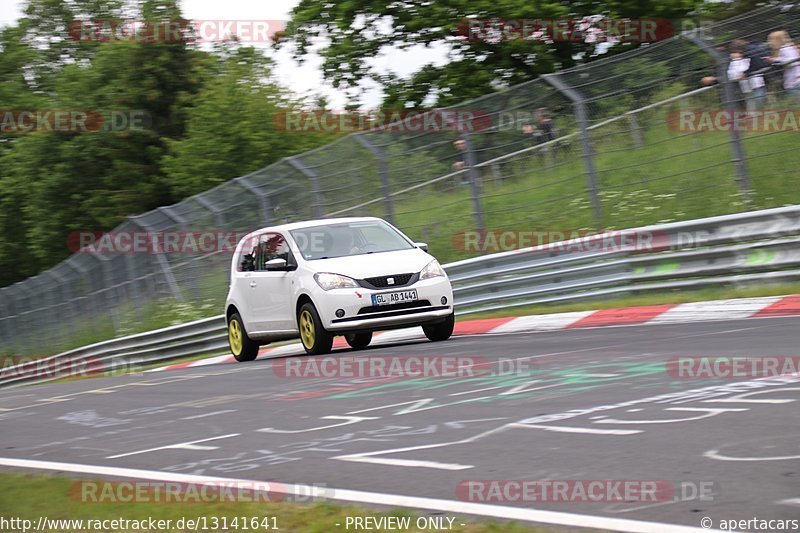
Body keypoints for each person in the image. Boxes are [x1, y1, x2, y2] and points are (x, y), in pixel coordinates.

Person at [767, 30, 800, 101]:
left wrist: (774, 60)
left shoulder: (785, 49)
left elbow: (792, 61)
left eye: (771, 40)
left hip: (794, 81)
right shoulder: (789, 47)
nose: (770, 42)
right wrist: (775, 59)